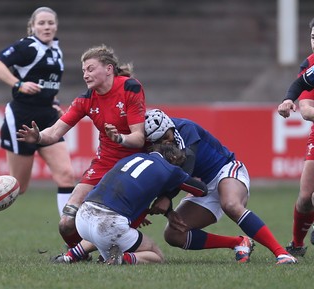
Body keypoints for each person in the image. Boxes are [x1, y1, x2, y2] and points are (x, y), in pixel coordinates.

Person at [17, 44, 147, 251]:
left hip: (135, 164)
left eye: (90, 69)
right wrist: (39, 136)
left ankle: (92, 252)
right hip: (105, 163)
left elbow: (138, 139)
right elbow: (55, 132)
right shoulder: (85, 99)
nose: (85, 75)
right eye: (83, 70)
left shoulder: (130, 87)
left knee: (114, 226)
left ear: (108, 69)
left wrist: (120, 138)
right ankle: (78, 254)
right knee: (66, 223)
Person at [0, 7, 76, 218]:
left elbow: (48, 83)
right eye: (41, 23)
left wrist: (54, 101)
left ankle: (70, 236)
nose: (46, 27)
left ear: (56, 25)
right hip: (23, 117)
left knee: (66, 176)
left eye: (50, 22)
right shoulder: (28, 46)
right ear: (32, 26)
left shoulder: (56, 51)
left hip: (48, 118)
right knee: (18, 186)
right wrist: (18, 84)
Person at [144, 109, 298, 264]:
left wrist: (166, 197)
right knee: (173, 234)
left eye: (166, 137)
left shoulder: (186, 128)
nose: (166, 142)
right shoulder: (154, 147)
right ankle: (237, 243)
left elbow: (186, 168)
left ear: (170, 126)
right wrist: (167, 209)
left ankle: (282, 254)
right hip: (203, 184)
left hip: (226, 170)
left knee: (231, 204)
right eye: (159, 141)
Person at [74, 143, 208, 265]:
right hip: (108, 224)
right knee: (156, 255)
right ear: (173, 158)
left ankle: (71, 255)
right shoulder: (171, 169)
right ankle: (122, 258)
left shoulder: (134, 157)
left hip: (83, 216)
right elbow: (202, 190)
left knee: (101, 232)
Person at [277, 18, 314, 257]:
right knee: (304, 198)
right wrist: (288, 99)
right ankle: (297, 244)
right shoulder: (311, 65)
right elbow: (306, 104)